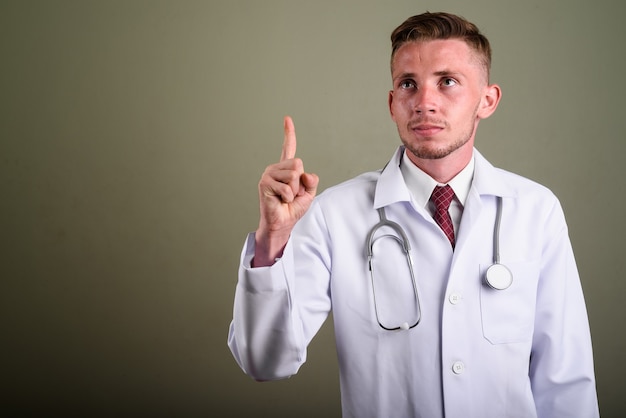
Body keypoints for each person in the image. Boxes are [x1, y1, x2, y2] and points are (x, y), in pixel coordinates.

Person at [227, 11, 599, 418]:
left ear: (487, 100)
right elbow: (265, 362)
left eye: (448, 82)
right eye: (408, 84)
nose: (425, 102)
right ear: (392, 103)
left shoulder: (535, 210)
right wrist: (272, 239)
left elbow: (565, 380)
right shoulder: (336, 214)